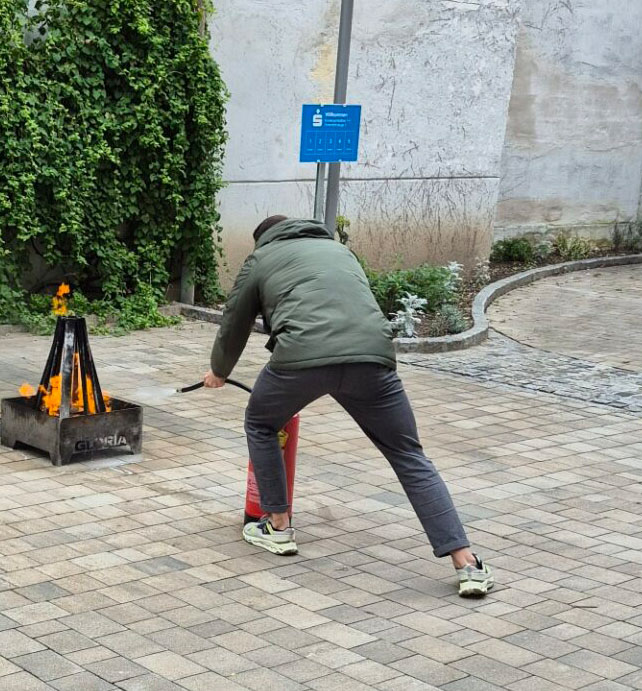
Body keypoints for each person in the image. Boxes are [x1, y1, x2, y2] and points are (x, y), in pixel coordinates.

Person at [203, 215, 493, 597]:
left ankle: (277, 526)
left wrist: (219, 371)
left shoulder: (262, 257)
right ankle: (466, 562)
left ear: (262, 239)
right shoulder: (341, 251)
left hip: (300, 359)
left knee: (260, 421)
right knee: (409, 454)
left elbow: (234, 320)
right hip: (371, 360)